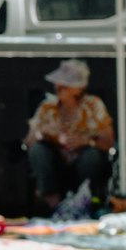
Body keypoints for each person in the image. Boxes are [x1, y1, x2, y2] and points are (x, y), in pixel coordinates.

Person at [24, 59, 114, 213]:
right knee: (38, 151)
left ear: (78, 89)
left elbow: (108, 142)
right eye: (57, 84)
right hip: (55, 163)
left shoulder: (93, 105)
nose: (58, 87)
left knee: (91, 156)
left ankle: (83, 200)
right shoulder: (47, 107)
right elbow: (28, 142)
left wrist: (86, 141)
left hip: (83, 162)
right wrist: (43, 133)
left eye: (65, 85)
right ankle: (52, 202)